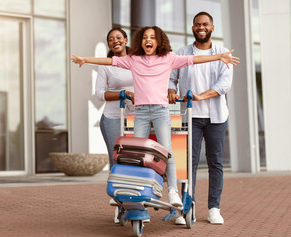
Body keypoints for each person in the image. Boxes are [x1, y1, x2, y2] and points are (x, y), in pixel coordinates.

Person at [71, 25, 239, 210]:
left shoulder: (168, 58)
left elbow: (194, 59)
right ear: (140, 42)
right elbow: (109, 62)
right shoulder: (133, 59)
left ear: (158, 41)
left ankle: (173, 191)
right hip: (141, 112)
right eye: (144, 37)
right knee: (136, 153)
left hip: (160, 111)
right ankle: (133, 189)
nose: (148, 40)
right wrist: (85, 60)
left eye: (152, 37)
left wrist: (219, 56)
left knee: (167, 152)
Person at [169, 12, 232, 225]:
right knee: (187, 164)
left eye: (205, 24)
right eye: (197, 25)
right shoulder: (182, 53)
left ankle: (214, 208)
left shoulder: (223, 53)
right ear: (193, 28)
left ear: (212, 28)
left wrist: (201, 96)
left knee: (215, 163)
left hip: (216, 117)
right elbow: (171, 78)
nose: (201, 27)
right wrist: (170, 90)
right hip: (189, 116)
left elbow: (224, 85)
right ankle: (188, 208)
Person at [95, 27, 135, 224]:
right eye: (111, 39)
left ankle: (135, 203)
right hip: (112, 118)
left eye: (119, 37)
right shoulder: (106, 65)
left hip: (137, 118)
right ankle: (120, 205)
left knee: (135, 161)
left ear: (126, 39)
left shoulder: (137, 61)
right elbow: (99, 94)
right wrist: (124, 94)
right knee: (117, 162)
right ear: (109, 44)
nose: (115, 41)